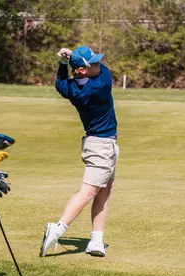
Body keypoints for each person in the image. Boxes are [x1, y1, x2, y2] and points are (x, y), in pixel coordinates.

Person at [40, 46, 119, 258]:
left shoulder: (72, 89)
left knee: (104, 191)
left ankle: (96, 241)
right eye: (92, 63)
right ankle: (58, 229)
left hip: (97, 144)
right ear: (82, 71)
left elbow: (59, 83)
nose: (97, 64)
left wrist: (64, 62)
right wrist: (70, 59)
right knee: (89, 191)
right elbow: (105, 69)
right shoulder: (101, 84)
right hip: (102, 146)